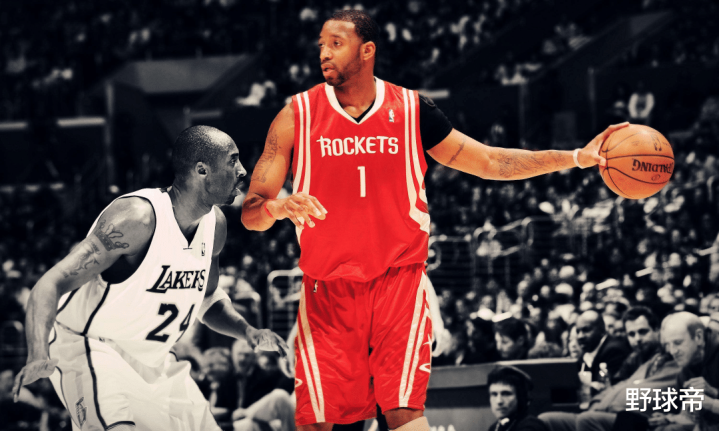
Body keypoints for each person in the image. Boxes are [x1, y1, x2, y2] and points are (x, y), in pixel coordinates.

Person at [241, 9, 628, 431]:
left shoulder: (412, 110)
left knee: (404, 414)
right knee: (317, 421)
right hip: (328, 290)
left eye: (336, 44)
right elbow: (251, 214)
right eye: (321, 45)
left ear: (367, 51)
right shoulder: (296, 115)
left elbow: (490, 162)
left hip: (398, 284)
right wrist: (277, 208)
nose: (324, 54)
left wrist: (575, 157)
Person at [12, 125, 290, 430]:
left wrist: (248, 332)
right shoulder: (137, 218)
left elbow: (207, 299)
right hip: (91, 346)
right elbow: (50, 282)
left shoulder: (216, 225)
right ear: (202, 170)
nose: (243, 170)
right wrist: (37, 353)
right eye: (233, 160)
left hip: (154, 361)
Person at [539, 307, 679, 431]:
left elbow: (635, 395)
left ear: (657, 331)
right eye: (631, 334)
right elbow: (615, 387)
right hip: (604, 409)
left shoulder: (670, 360)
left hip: (626, 416)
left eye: (642, 332)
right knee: (545, 419)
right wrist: (598, 403)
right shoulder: (635, 358)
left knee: (587, 420)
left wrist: (604, 405)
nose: (637, 339)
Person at [648, 312, 719, 430]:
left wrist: (714, 394)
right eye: (668, 345)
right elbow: (690, 418)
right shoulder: (685, 371)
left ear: (698, 337)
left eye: (678, 343)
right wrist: (670, 418)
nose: (672, 351)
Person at [574, 310, 631, 393]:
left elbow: (615, 387)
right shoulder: (586, 352)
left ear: (602, 330)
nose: (580, 336)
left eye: (586, 330)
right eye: (577, 331)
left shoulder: (614, 350)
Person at [487, 366, 549, 431]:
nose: (499, 401)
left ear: (521, 398)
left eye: (506, 394)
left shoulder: (531, 427)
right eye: (494, 394)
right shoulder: (495, 427)